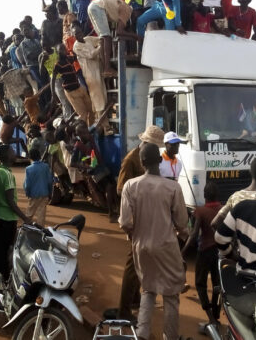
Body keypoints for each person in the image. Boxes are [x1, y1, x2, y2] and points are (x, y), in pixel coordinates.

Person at [119, 143, 188, 340]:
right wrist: (185, 235)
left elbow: (125, 222)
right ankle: (171, 337)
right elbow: (182, 223)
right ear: (160, 161)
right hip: (167, 247)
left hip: (140, 247)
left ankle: (142, 334)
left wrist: (136, 235)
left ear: (141, 163)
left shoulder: (130, 186)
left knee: (148, 290)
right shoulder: (172, 187)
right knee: (171, 295)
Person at [112, 125, 165, 321]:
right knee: (132, 264)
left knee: (137, 263)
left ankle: (133, 300)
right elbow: (120, 189)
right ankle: (123, 310)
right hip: (135, 216)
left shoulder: (144, 157)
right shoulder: (131, 159)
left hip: (145, 215)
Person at [215, 157, 256, 271]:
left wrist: (231, 251)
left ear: (250, 173)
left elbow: (215, 223)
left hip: (243, 261)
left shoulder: (236, 198)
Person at [181, 182, 222, 323]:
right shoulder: (223, 210)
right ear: (217, 195)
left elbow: (193, 235)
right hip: (219, 252)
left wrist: (183, 252)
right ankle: (216, 314)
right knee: (217, 284)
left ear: (204, 195)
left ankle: (211, 318)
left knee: (200, 284)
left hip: (204, 251)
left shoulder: (200, 211)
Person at [0, 145, 30, 282]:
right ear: (7, 156)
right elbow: (10, 201)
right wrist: (25, 218)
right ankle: (5, 278)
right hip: (7, 218)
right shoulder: (7, 175)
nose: (15, 154)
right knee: (6, 249)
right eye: (12, 152)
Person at [71, 22, 111, 133]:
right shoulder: (76, 47)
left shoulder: (87, 39)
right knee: (99, 101)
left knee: (103, 98)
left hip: (98, 71)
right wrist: (100, 47)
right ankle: (106, 127)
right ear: (73, 36)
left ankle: (104, 126)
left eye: (79, 32)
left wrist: (101, 42)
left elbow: (100, 39)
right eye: (76, 34)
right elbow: (91, 54)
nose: (78, 35)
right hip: (90, 76)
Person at [86, 0, 136, 77]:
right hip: (98, 7)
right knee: (107, 37)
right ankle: (107, 68)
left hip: (92, 6)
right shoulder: (127, 11)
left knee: (102, 38)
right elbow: (119, 32)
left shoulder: (121, 7)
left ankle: (104, 68)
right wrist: (136, 36)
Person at [51, 43, 94, 125]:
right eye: (61, 49)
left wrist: (73, 51)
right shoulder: (57, 64)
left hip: (79, 87)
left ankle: (90, 129)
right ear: (57, 52)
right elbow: (53, 79)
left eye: (64, 49)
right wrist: (53, 93)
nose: (63, 51)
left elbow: (75, 57)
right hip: (71, 92)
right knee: (83, 114)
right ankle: (83, 131)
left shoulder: (69, 59)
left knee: (91, 110)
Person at [24, 148, 54, 225]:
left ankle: (26, 226)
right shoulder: (46, 166)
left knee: (30, 211)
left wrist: (27, 193)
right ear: (40, 156)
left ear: (30, 157)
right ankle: (40, 229)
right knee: (41, 213)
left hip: (33, 194)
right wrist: (50, 192)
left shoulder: (28, 169)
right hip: (44, 193)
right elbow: (50, 181)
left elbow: (27, 184)